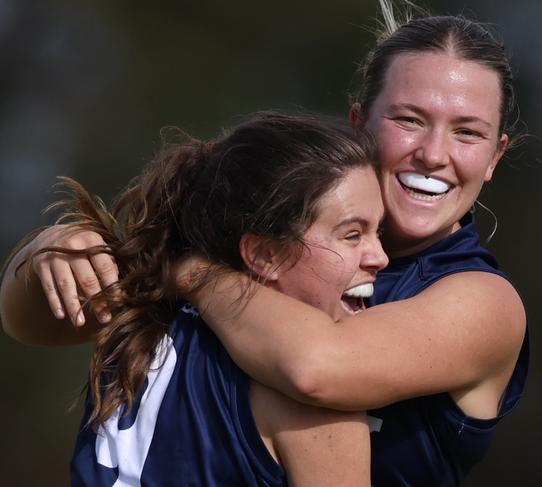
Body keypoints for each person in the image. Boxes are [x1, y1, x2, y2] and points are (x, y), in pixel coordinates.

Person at [1, 2, 529, 486]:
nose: (434, 154)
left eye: (467, 133)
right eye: (409, 120)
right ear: (359, 126)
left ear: (495, 157)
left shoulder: (483, 302)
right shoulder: (266, 227)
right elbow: (34, 321)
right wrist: (54, 249)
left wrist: (186, 270)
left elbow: (318, 369)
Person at [2, 113, 388, 486]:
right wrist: (47, 246)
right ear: (265, 255)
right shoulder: (313, 401)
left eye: (378, 231)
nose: (381, 257)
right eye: (353, 235)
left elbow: (21, 316)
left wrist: (42, 247)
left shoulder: (143, 316)